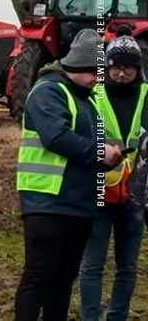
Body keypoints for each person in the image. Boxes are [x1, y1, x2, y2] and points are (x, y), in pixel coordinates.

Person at [14, 28, 124, 321]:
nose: (99, 80)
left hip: (79, 204)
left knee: (63, 281)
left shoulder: (87, 101)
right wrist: (100, 153)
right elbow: (56, 137)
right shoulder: (48, 92)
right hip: (47, 202)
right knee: (38, 276)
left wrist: (111, 155)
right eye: (96, 73)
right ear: (80, 66)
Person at [79, 25, 147, 321]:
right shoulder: (92, 95)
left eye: (128, 69)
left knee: (127, 266)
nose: (121, 74)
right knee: (92, 265)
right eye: (116, 68)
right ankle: (90, 317)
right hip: (98, 191)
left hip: (135, 195)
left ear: (138, 69)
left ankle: (117, 316)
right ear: (107, 68)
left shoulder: (146, 95)